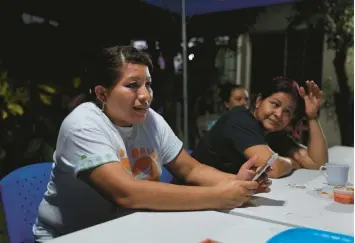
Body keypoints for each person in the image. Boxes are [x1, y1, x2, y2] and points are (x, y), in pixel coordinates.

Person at [33, 46, 271, 241]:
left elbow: (191, 169)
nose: (146, 95)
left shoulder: (150, 120)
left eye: (147, 84)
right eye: (132, 85)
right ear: (102, 94)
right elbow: (127, 193)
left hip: (128, 229)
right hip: (72, 237)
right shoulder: (83, 124)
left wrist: (238, 183)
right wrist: (218, 196)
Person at [192, 77, 328, 179]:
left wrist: (312, 116)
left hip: (225, 197)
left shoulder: (274, 134)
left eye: (287, 112)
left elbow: (317, 163)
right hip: (192, 196)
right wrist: (292, 162)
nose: (279, 114)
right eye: (275, 104)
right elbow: (272, 168)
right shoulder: (238, 119)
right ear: (258, 101)